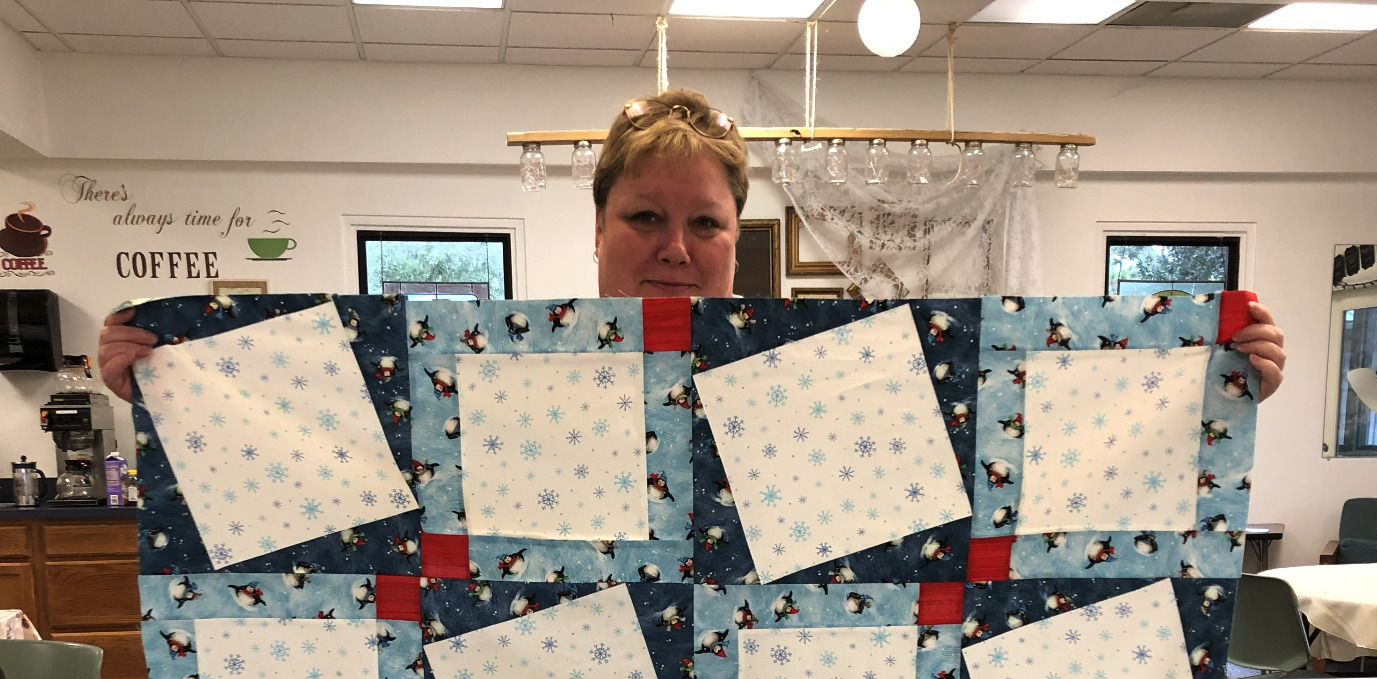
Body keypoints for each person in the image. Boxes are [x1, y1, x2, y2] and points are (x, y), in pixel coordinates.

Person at [95, 87, 1286, 399]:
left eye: (704, 222)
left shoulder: (815, 370)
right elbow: (336, 422)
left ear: (734, 237)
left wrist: (1202, 378)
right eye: (644, 217)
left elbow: (1003, 430)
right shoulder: (501, 371)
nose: (674, 245)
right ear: (597, 226)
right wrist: (179, 377)